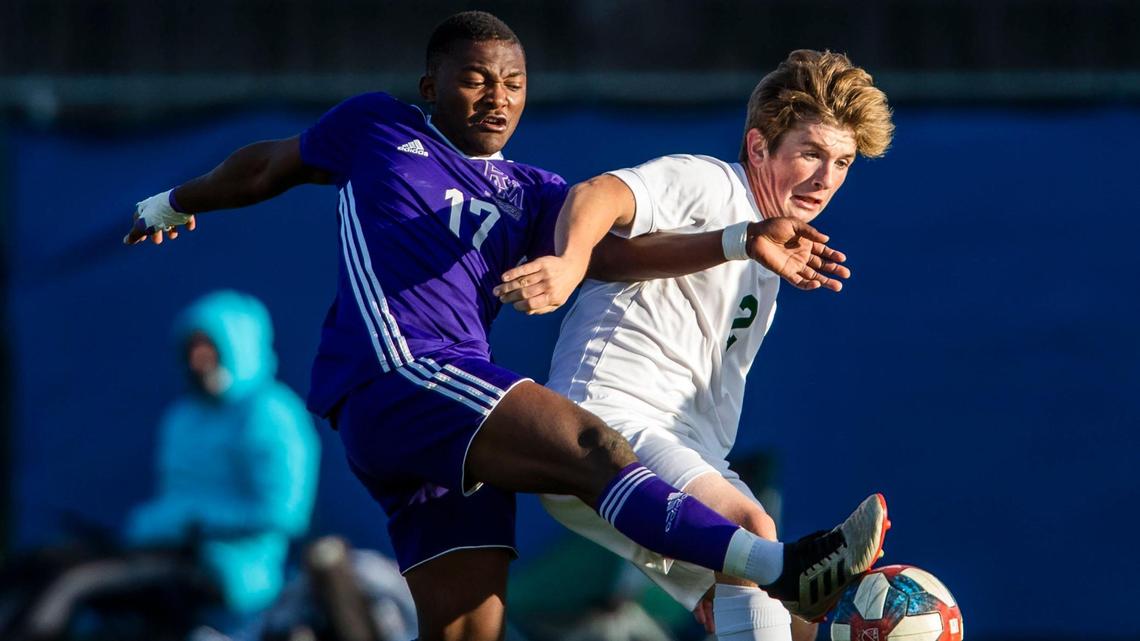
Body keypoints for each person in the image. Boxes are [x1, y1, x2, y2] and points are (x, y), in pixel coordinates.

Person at [123, 13, 888, 641]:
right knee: (596, 446)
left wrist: (733, 240)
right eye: (476, 78)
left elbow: (616, 254)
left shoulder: (526, 193)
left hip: (450, 434)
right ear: (431, 86)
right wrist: (173, 201)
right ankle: (784, 564)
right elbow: (264, 166)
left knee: (470, 632)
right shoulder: (378, 128)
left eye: (514, 82)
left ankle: (770, 575)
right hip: (402, 371)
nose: (497, 96)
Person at [493, 50, 894, 641]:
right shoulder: (714, 183)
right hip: (606, 423)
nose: (826, 178)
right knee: (753, 530)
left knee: (777, 616)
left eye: (842, 161)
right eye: (810, 153)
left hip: (679, 450)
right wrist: (571, 260)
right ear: (759, 148)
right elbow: (599, 192)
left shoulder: (767, 247)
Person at [16, 291, 320, 640]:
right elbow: (174, 497)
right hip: (165, 551)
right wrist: (159, 522)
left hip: (230, 570)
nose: (199, 358)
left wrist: (193, 519)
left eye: (209, 345)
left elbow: (284, 513)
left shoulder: (271, 413)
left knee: (73, 585)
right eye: (192, 347)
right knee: (44, 565)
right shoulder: (184, 417)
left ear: (238, 344)